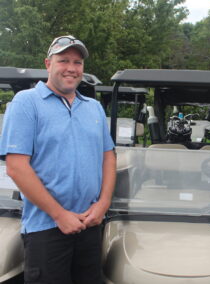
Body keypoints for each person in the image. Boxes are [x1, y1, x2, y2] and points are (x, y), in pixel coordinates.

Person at [0, 35, 116, 284]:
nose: (72, 68)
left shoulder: (94, 108)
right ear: (48, 64)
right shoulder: (26, 103)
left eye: (77, 62)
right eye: (63, 60)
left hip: (90, 224)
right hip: (47, 228)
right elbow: (16, 167)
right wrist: (60, 215)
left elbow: (108, 157)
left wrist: (103, 204)